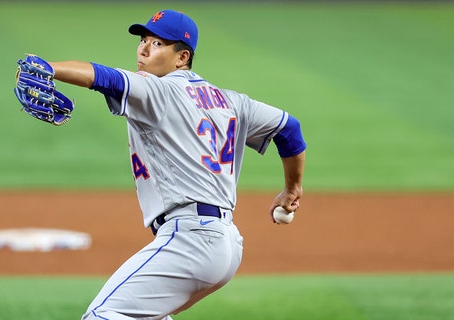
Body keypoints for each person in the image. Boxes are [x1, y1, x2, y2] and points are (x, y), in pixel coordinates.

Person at [47, 9, 306, 320]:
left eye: (156, 43)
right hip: (225, 245)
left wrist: (48, 68)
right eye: (143, 40)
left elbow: (105, 77)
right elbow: (289, 129)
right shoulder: (231, 101)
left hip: (190, 239)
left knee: (103, 315)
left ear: (182, 57)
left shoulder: (159, 89)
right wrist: (292, 189)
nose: (143, 49)